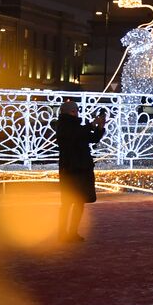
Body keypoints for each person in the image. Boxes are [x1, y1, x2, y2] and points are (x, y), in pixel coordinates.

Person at [54, 100, 105, 243]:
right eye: (74, 110)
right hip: (71, 169)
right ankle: (64, 233)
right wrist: (92, 124)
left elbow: (92, 138)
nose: (77, 113)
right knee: (68, 203)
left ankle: (71, 232)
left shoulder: (75, 126)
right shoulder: (64, 126)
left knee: (78, 203)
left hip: (80, 169)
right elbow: (75, 135)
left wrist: (100, 128)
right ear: (70, 112)